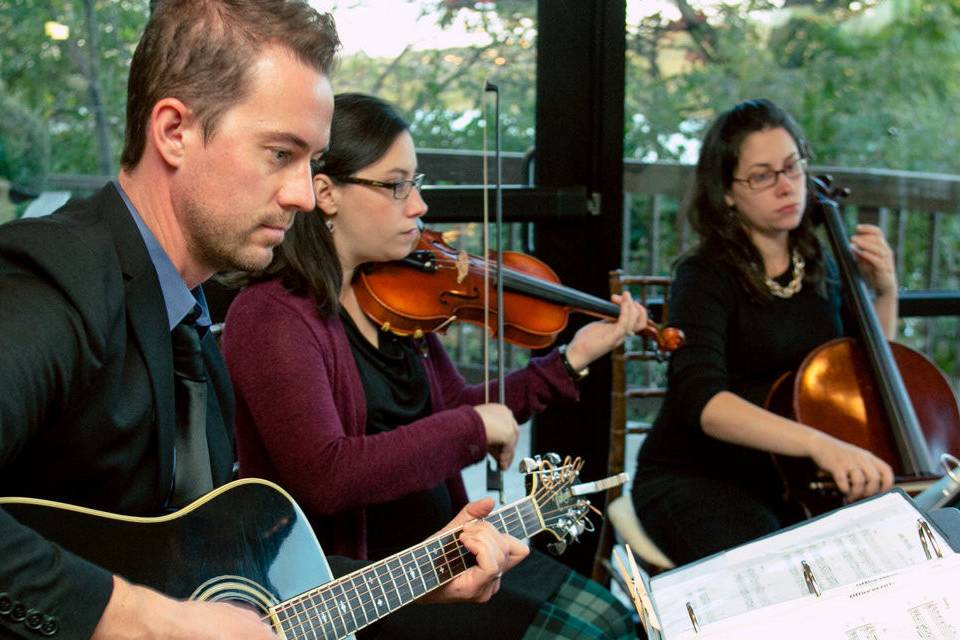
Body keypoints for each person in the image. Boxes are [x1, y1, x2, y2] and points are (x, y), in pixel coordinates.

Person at [0, 3, 526, 639]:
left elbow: (222, 585)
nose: (305, 195)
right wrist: (149, 624)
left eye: (311, 161)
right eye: (280, 153)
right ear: (174, 132)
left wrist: (419, 576)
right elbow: (165, 614)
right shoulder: (55, 285)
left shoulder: (187, 325)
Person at [222, 92, 644, 640]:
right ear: (326, 193)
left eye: (416, 183)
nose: (418, 205)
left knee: (616, 618)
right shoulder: (272, 316)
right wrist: (472, 428)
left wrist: (571, 360)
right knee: (594, 632)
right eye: (396, 185)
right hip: (362, 590)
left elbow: (453, 409)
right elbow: (327, 476)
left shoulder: (391, 297)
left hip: (446, 551)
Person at [630, 98, 897, 566]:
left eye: (792, 167)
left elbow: (868, 377)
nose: (786, 186)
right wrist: (819, 443)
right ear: (728, 192)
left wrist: (886, 290)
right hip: (698, 477)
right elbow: (704, 404)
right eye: (762, 175)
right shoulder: (705, 274)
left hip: (794, 478)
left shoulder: (822, 267)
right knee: (779, 572)